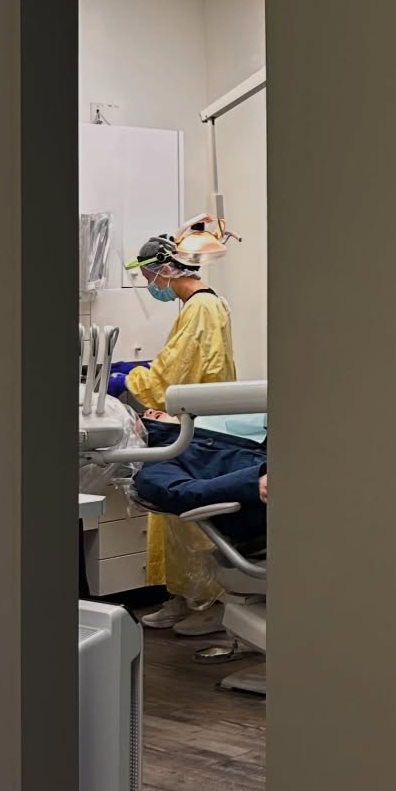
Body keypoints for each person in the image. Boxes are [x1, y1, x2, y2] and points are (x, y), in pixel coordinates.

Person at [118, 218, 238, 636]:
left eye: (149, 274)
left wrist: (131, 380)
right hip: (190, 421)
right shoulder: (199, 306)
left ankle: (209, 602)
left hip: (198, 428)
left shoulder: (202, 307)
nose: (149, 283)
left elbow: (174, 371)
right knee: (173, 519)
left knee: (189, 519)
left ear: (166, 269)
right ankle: (183, 597)